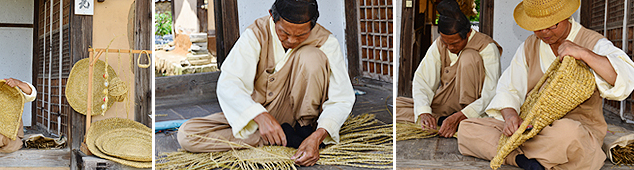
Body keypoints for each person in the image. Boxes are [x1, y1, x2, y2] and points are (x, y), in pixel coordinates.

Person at [457, 0, 634, 169]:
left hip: (573, 131)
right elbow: (509, 88)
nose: (544, 32)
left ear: (566, 16)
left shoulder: (591, 41)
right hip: (531, 127)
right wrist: (511, 116)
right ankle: (522, 160)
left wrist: (584, 53)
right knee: (467, 129)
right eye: (538, 27)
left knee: (568, 135)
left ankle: (512, 152)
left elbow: (626, 77)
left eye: (552, 25)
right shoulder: (529, 46)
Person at [176, 0, 355, 167]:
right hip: (259, 113)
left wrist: (318, 136)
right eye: (284, 33)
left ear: (313, 26)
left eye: (301, 35)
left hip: (301, 117)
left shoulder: (325, 40)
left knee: (312, 57)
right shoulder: (256, 33)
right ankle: (282, 137)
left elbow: (342, 97)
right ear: (271, 15)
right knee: (187, 135)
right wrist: (259, 115)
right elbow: (230, 82)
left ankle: (304, 133)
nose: (292, 40)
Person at [395, 0, 502, 137]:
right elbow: (422, 80)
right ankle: (442, 121)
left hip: (473, 109)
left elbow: (491, 93)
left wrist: (462, 115)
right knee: (398, 105)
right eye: (446, 43)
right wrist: (425, 113)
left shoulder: (486, 47)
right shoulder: (440, 43)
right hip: (445, 104)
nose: (450, 47)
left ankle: (462, 121)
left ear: (468, 34)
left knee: (469, 57)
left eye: (454, 43)